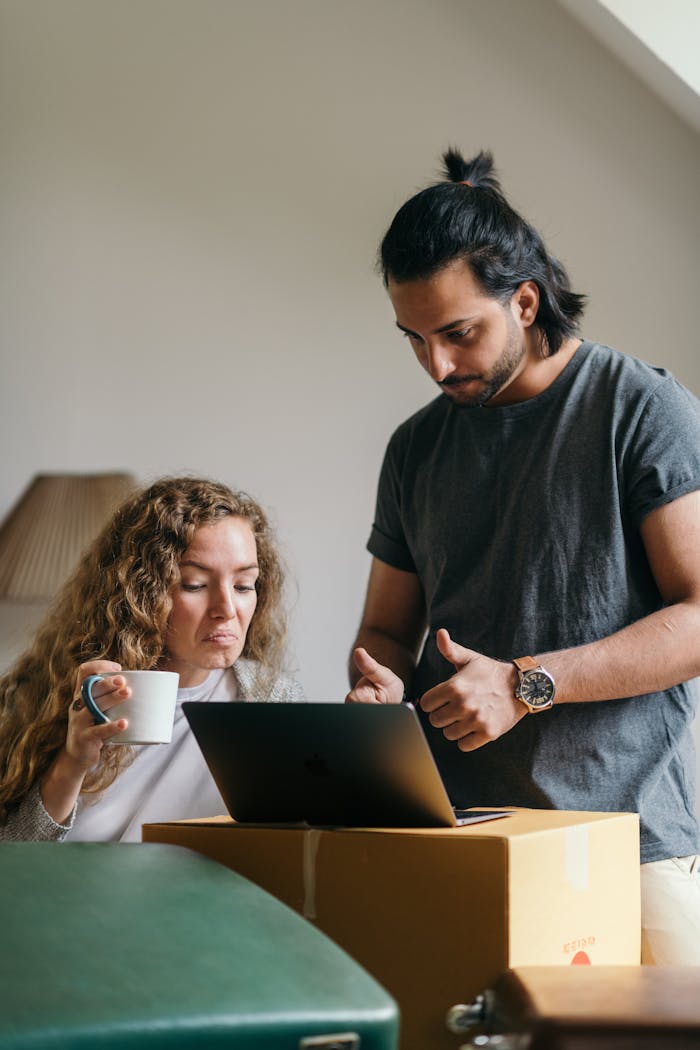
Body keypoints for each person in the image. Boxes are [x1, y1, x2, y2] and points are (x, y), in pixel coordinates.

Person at [346, 148, 700, 965]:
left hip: (630, 849)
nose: (436, 365)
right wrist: (377, 686)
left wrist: (523, 683)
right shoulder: (414, 448)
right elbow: (386, 631)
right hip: (461, 838)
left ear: (527, 300)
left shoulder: (641, 409)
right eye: (414, 339)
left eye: (458, 333)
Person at [0, 475, 302, 842]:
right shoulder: (63, 695)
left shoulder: (273, 701)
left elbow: (297, 848)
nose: (226, 609)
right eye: (195, 585)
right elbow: (14, 862)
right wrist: (73, 762)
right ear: (143, 595)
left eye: (243, 585)